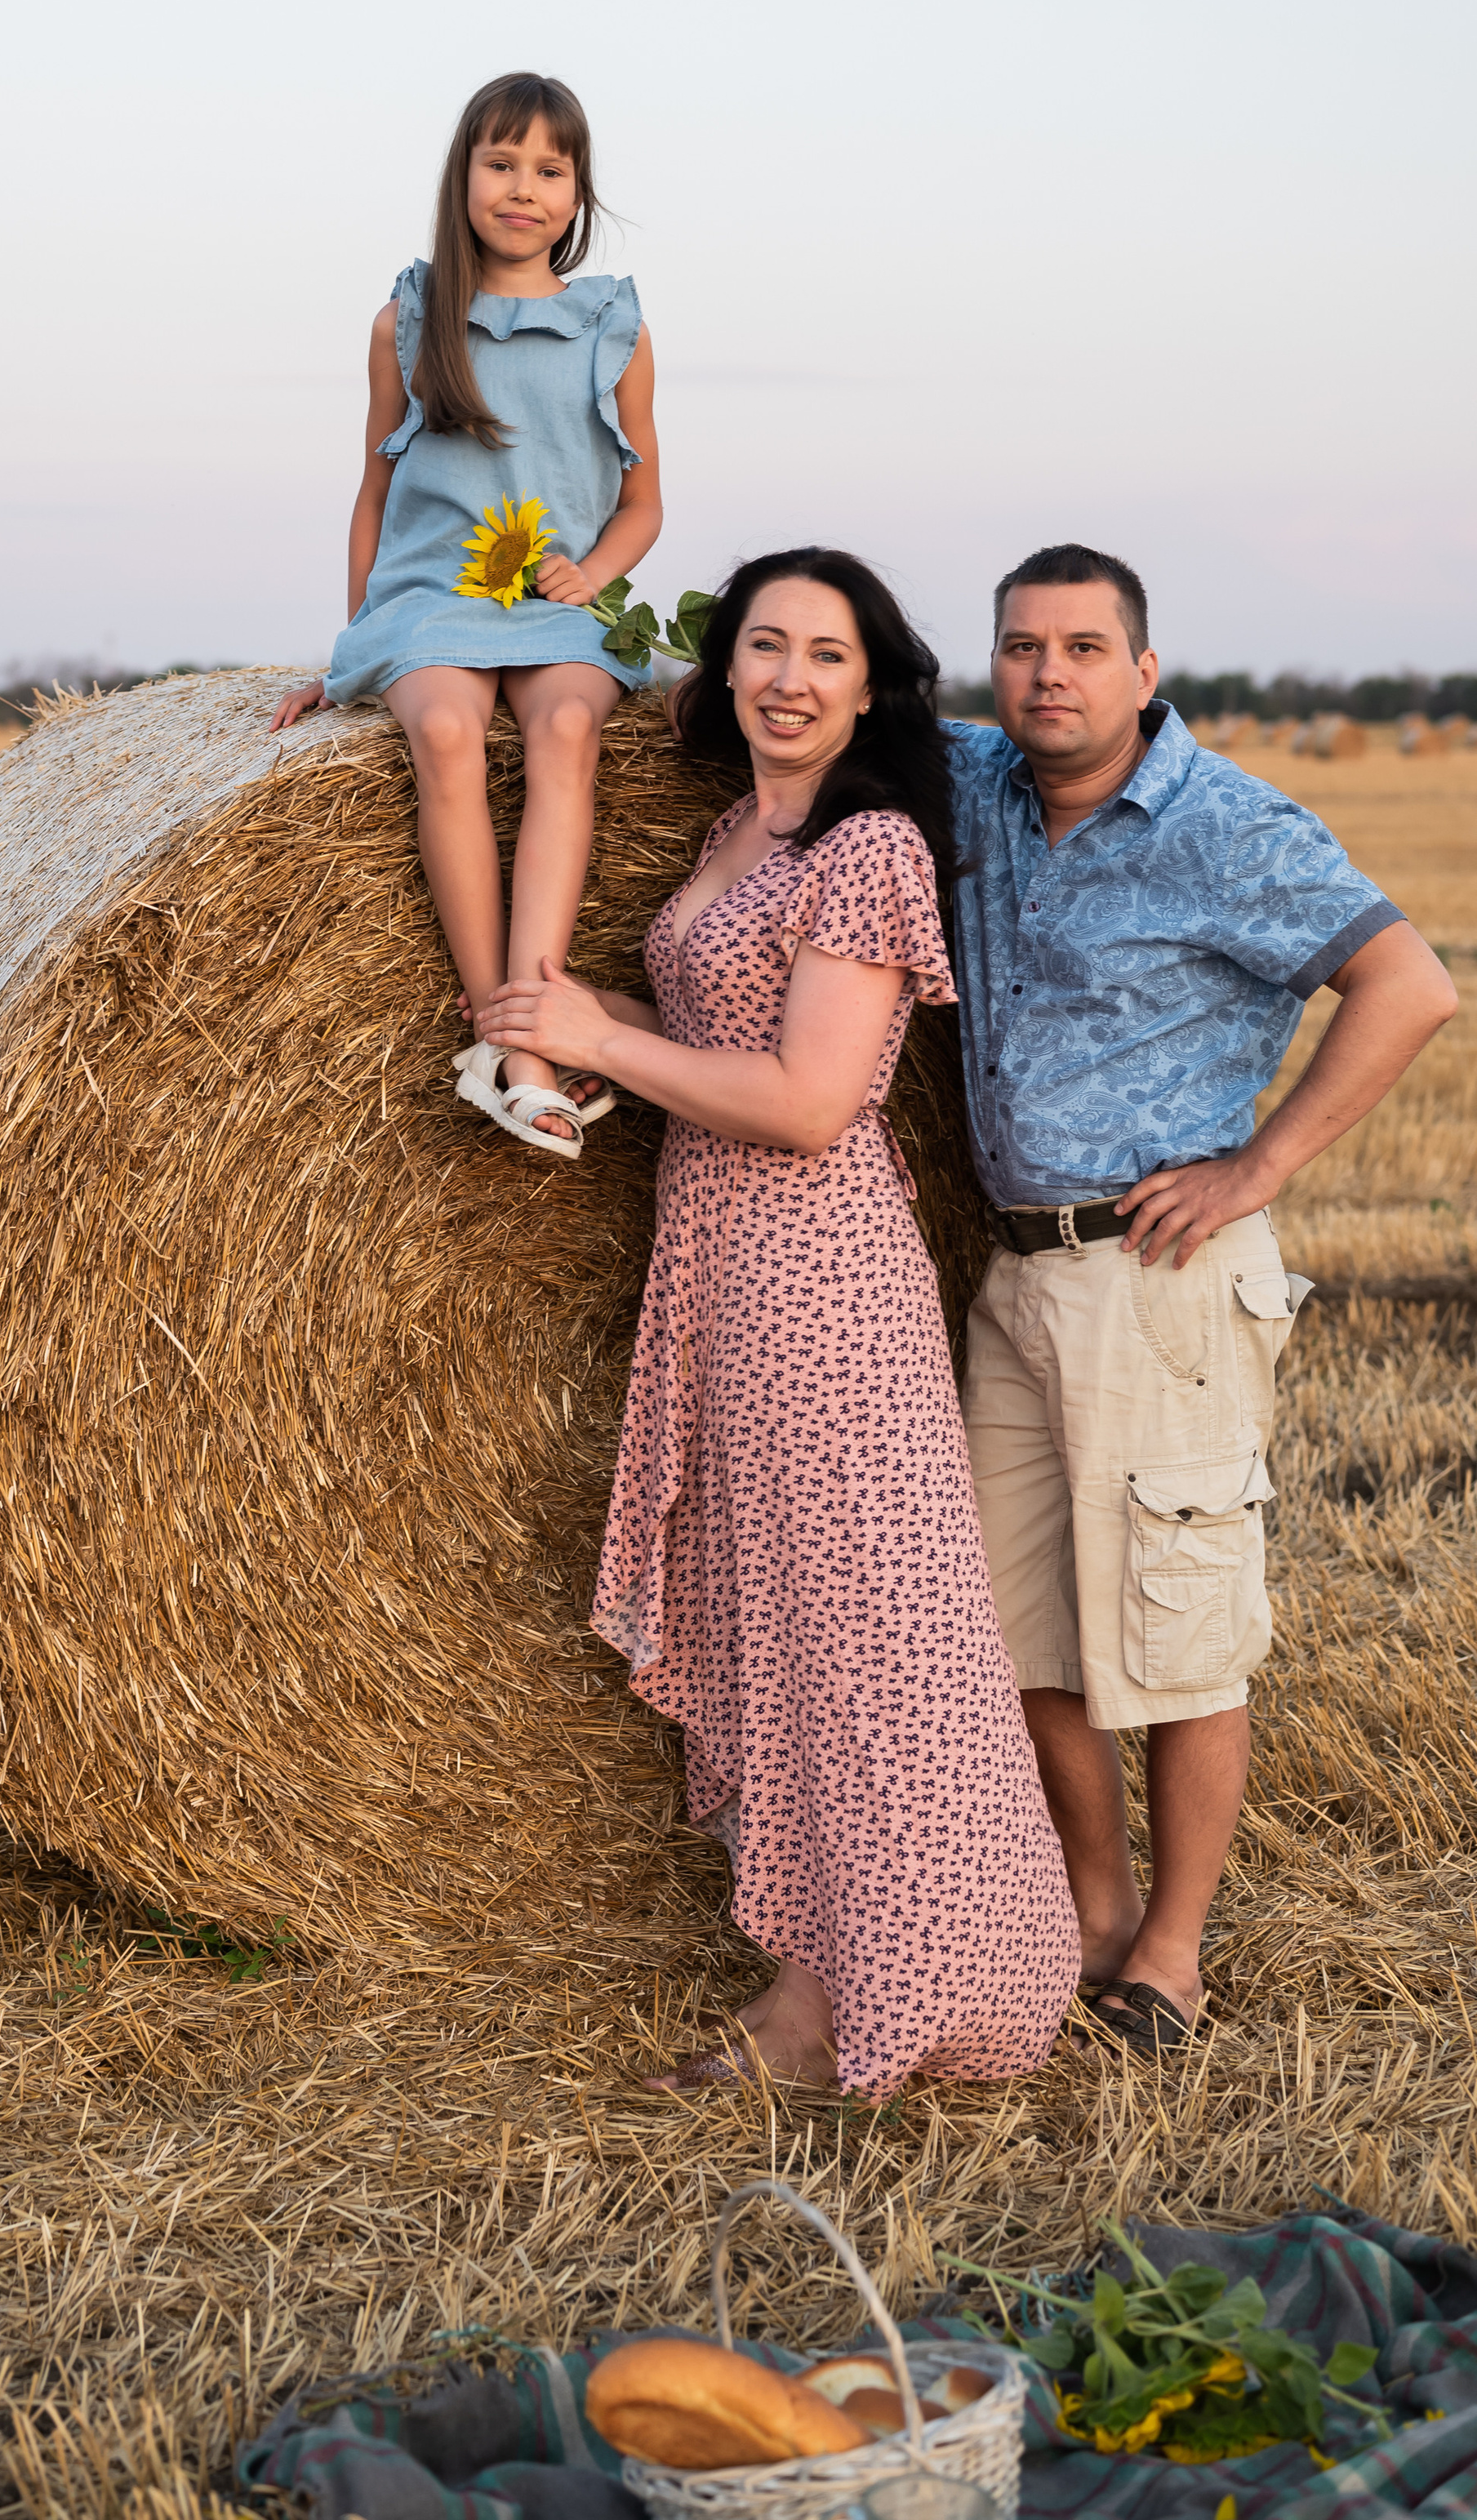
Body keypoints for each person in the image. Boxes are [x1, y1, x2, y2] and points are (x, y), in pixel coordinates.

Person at [478, 550, 1083, 2097]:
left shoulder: (868, 845)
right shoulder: (738, 830)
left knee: (868, 1633)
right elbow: (722, 1039)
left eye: (825, 652)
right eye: (764, 644)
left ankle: (927, 1989)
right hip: (725, 1262)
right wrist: (592, 1043)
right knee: (788, 1628)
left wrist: (603, 1031)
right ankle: (817, 1981)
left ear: (872, 688)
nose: (789, 677)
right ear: (725, 665)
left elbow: (812, 1100)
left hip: (820, 1274)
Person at [947, 543, 1457, 2059]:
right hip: (1011, 1272)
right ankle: (1098, 1911)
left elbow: (1412, 983)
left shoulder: (1227, 824)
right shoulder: (976, 788)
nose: (1049, 673)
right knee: (1024, 1630)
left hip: (1157, 1278)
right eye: (1023, 647)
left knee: (1178, 1632)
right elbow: (800, 706)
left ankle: (1173, 1952)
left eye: (1083, 647)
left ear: (1144, 669)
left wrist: (1260, 1165)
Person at [269, 74, 661, 1156]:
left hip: (552, 603)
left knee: (568, 726)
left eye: (549, 169)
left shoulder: (613, 330)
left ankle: (525, 1026)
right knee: (445, 730)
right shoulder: (408, 322)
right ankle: (510, 1032)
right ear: (464, 175)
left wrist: (594, 573)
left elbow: (644, 503)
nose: (523, 188)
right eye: (501, 163)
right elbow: (374, 493)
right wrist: (354, 648)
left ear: (578, 192)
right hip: (429, 599)